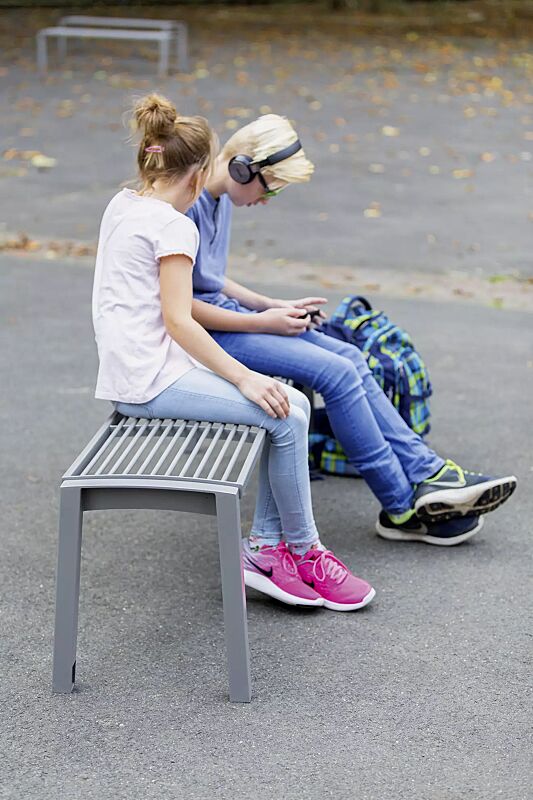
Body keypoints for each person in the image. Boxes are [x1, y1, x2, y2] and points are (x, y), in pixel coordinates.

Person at [91, 93, 375, 612]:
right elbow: (180, 319)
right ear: (200, 176)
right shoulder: (174, 226)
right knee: (285, 409)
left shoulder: (124, 204)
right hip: (149, 382)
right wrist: (243, 376)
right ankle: (301, 551)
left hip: (137, 370)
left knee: (287, 403)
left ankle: (269, 550)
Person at [186, 114, 517, 547]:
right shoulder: (188, 206)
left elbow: (208, 276)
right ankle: (401, 507)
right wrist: (261, 321)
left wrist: (272, 304)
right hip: (210, 338)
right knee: (335, 373)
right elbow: (182, 306)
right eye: (271, 187)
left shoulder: (221, 200)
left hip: (235, 322)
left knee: (352, 357)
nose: (269, 199)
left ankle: (427, 473)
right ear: (241, 168)